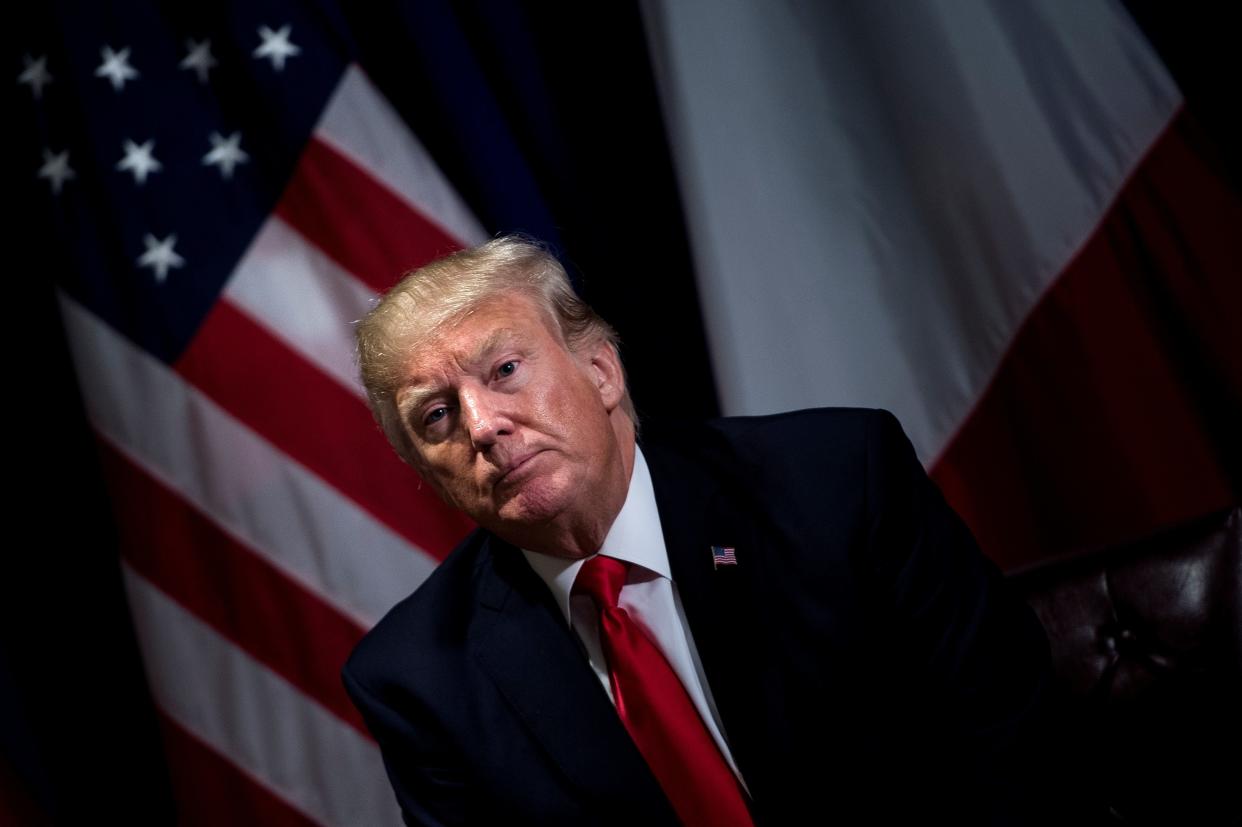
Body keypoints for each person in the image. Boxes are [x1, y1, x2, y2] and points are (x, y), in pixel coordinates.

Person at [342, 235, 1059, 826]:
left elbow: (1013, 741)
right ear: (428, 473)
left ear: (600, 370)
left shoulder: (838, 483)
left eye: (504, 369)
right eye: (436, 416)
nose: (482, 425)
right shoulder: (417, 677)